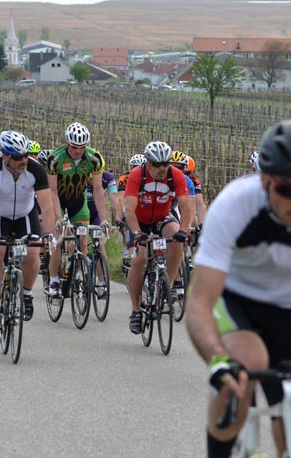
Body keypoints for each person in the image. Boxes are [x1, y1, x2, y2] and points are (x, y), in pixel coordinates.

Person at [186, 120, 291, 458]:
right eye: (287, 190)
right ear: (264, 180)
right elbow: (200, 302)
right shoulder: (236, 205)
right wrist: (218, 361)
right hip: (237, 300)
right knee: (242, 369)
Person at [0, 131, 56, 329]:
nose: (24, 160)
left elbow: (46, 206)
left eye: (26, 155)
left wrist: (49, 234)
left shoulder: (36, 170)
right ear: (5, 156)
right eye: (18, 157)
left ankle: (26, 294)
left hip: (25, 216)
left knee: (32, 253)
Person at [123, 140, 193, 334]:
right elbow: (128, 209)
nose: (162, 168)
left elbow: (186, 206)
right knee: (139, 259)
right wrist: (137, 233)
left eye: (166, 163)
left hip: (162, 217)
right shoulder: (137, 175)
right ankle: (136, 311)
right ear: (148, 163)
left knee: (176, 238)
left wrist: (184, 229)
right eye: (157, 164)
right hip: (138, 219)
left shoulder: (175, 175)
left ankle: (166, 286)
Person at [45, 122, 108, 296]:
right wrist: (58, 217)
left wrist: (103, 219)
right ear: (67, 143)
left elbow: (97, 190)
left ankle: (78, 274)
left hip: (78, 203)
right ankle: (54, 281)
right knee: (57, 240)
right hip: (58, 200)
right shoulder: (55, 159)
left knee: (82, 240)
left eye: (81, 147)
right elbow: (52, 191)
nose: (78, 151)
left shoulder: (94, 158)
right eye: (74, 147)